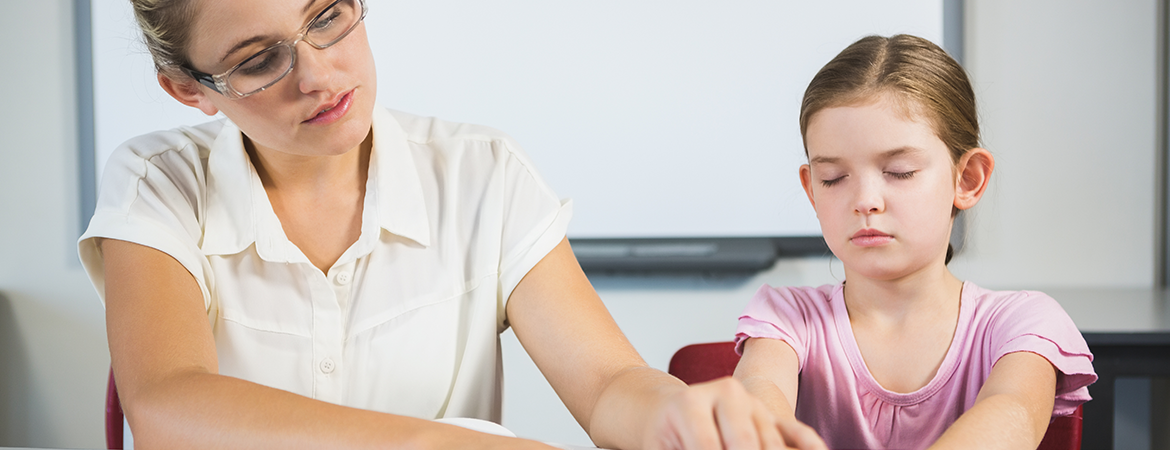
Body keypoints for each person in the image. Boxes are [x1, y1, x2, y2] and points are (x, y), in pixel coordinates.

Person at [78, 0, 826, 449]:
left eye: (328, 17)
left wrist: (681, 415)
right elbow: (168, 404)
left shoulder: (482, 173)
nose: (318, 75)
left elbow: (606, 388)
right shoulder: (158, 183)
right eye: (257, 60)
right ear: (187, 90)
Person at [731, 34, 1097, 450]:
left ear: (967, 178)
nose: (865, 201)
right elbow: (756, 413)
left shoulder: (1023, 323)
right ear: (812, 189)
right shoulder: (785, 319)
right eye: (833, 177)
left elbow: (1009, 414)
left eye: (900, 171)